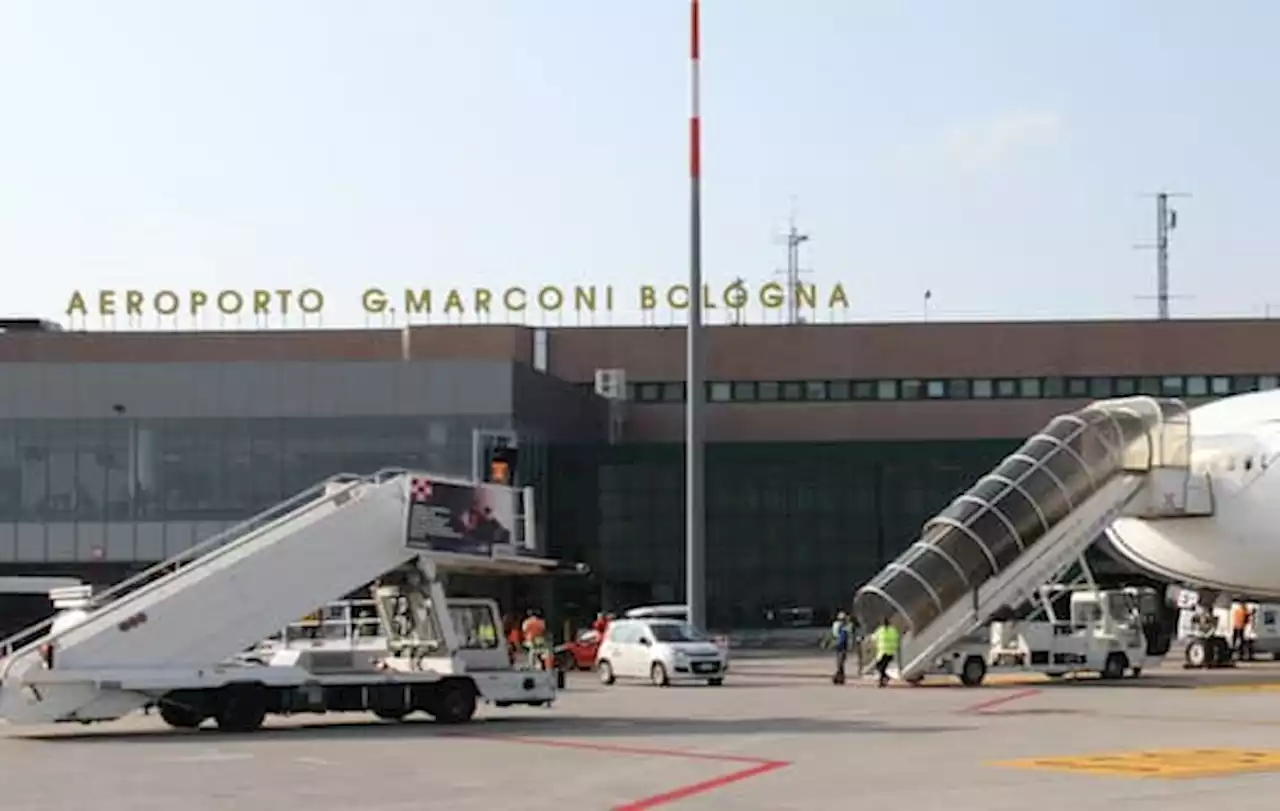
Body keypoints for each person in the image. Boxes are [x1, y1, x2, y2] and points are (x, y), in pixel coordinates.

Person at [872, 617, 900, 688]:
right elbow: (897, 638)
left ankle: (882, 682)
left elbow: (874, 638)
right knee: (880, 667)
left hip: (884, 652)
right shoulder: (893, 630)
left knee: (880, 667)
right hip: (890, 652)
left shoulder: (880, 630)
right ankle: (885, 678)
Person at [830, 611, 853, 684]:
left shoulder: (845, 625)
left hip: (841, 645)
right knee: (840, 662)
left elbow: (849, 635)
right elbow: (835, 634)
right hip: (840, 645)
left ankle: (840, 677)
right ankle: (839, 677)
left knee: (841, 662)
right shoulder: (841, 625)